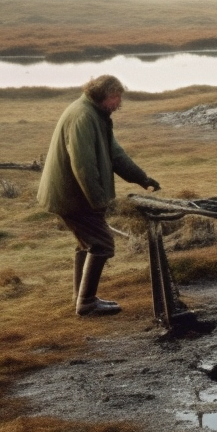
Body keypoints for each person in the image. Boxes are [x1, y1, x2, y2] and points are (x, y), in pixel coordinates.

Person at [37, 75, 161, 316]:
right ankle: (86, 302)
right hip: (73, 197)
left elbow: (116, 155)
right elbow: (83, 166)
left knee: (88, 244)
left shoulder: (96, 115)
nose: (119, 103)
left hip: (71, 195)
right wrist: (98, 202)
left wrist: (142, 178)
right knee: (102, 244)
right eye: (116, 97)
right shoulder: (83, 117)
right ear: (103, 94)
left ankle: (81, 296)